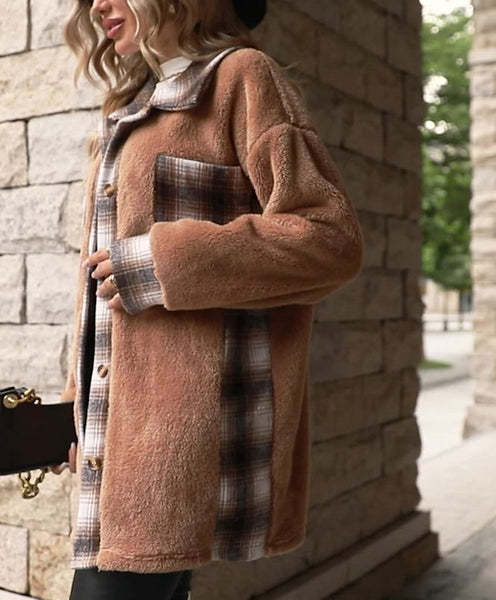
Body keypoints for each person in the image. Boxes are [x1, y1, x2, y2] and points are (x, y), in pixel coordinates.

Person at [52, 0, 364, 599]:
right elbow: (99, 286)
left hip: (180, 443)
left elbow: (329, 238)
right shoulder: (132, 106)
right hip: (120, 433)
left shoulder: (242, 77)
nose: (98, 6)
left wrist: (162, 261)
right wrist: (77, 402)